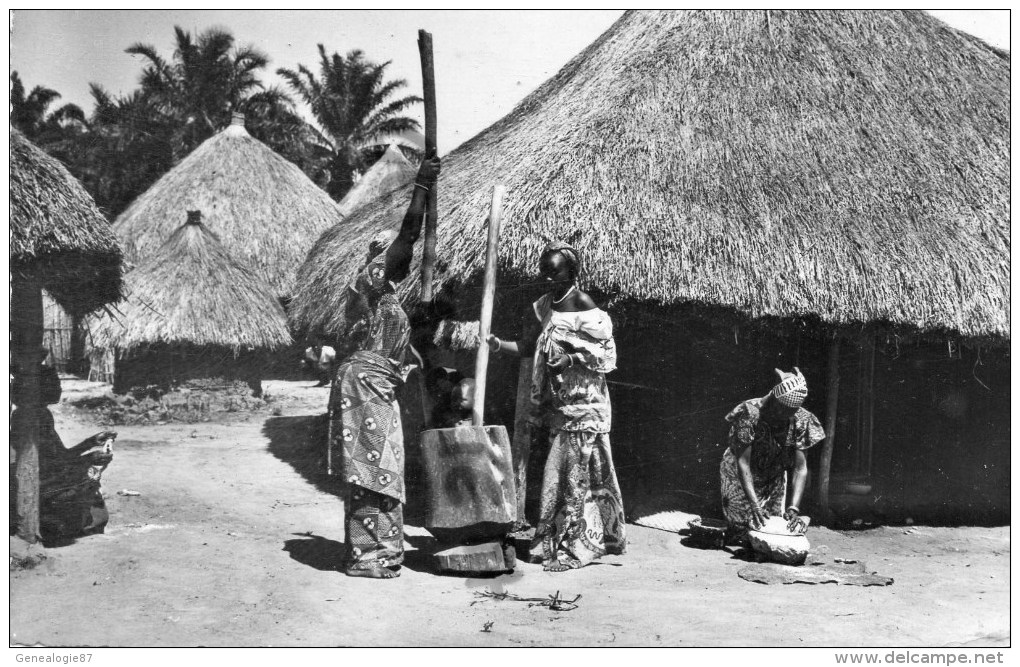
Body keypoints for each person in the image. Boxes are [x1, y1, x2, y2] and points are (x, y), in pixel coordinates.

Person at [326, 151, 441, 579]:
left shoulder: (388, 297)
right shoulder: (374, 276)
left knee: (381, 464)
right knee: (376, 467)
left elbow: (402, 347)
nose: (406, 261)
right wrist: (423, 187)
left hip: (378, 381)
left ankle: (376, 552)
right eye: (397, 254)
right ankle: (369, 555)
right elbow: (410, 236)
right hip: (364, 382)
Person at [487, 241, 626, 571]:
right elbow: (526, 346)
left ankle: (573, 548)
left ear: (571, 272)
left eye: (555, 272)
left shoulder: (584, 303)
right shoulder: (545, 306)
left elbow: (607, 355)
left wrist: (571, 357)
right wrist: (496, 345)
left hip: (586, 403)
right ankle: (562, 539)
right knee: (559, 473)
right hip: (560, 405)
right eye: (544, 272)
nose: (547, 279)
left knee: (576, 473)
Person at [10, 349, 115, 544]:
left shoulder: (42, 415)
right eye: (53, 383)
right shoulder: (26, 418)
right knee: (89, 480)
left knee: (90, 480)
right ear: (37, 388)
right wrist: (88, 461)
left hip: (47, 476)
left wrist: (91, 443)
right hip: (35, 484)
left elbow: (60, 456)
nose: (58, 389)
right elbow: (37, 468)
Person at [719, 367, 825, 544]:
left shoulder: (800, 418)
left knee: (770, 529)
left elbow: (800, 468)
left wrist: (794, 507)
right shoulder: (750, 413)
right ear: (774, 399)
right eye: (783, 409)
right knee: (740, 534)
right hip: (738, 474)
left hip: (774, 478)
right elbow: (743, 462)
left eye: (792, 411)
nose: (786, 416)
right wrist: (754, 504)